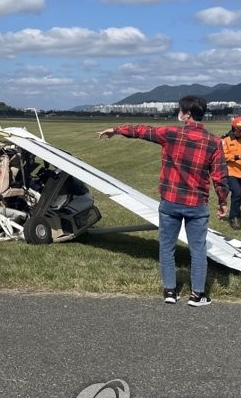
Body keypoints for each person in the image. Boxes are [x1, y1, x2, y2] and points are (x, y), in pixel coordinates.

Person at [97, 95, 229, 307]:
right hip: (196, 204)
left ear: (186, 114)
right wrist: (223, 202)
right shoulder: (214, 142)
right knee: (198, 250)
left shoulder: (170, 133)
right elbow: (220, 177)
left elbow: (142, 131)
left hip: (170, 202)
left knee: (166, 247)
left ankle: (170, 291)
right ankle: (197, 295)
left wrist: (116, 129)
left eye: (180, 110)